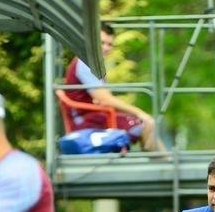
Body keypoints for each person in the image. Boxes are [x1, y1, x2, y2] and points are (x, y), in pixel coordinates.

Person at [63, 22, 165, 152]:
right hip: (85, 123)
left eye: (109, 44)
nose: (106, 48)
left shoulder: (93, 64)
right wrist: (141, 114)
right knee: (143, 123)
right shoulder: (85, 64)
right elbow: (104, 99)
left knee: (141, 123)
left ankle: (163, 160)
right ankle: (164, 162)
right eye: (101, 43)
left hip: (94, 117)